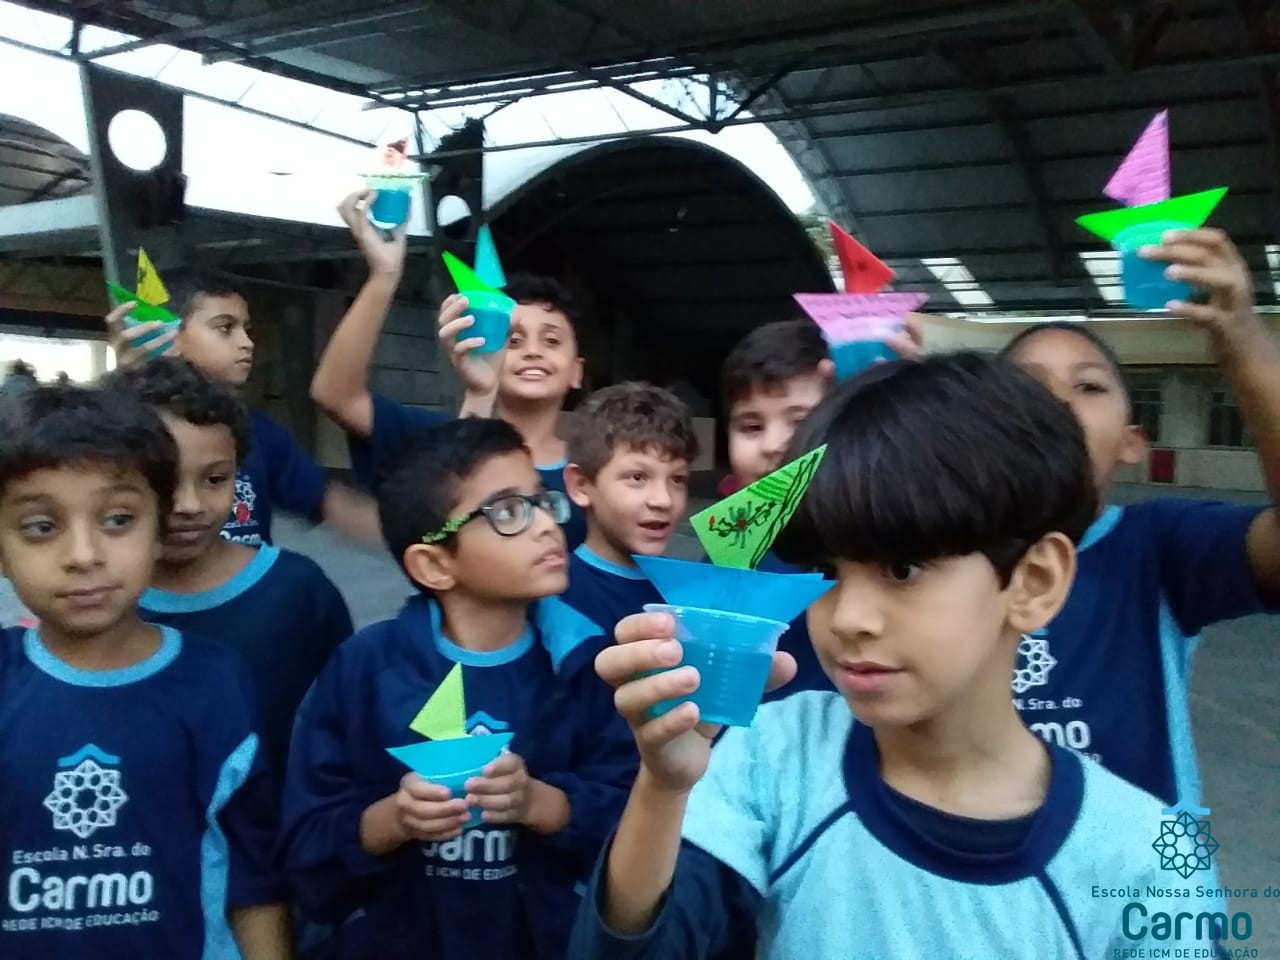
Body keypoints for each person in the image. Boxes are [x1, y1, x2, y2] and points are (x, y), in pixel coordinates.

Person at [570, 353, 1220, 959]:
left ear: (1034, 582)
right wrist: (663, 787)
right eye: (827, 570)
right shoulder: (772, 758)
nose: (847, 618)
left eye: (902, 568)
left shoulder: (1147, 862)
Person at [283, 416, 637, 960]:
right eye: (509, 512)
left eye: (543, 502)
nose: (547, 525)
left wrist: (543, 804)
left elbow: (636, 828)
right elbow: (306, 848)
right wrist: (393, 820)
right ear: (434, 564)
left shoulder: (588, 664)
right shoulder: (365, 670)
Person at [0, 380, 286, 958]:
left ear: (159, 529)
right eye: (41, 527)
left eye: (118, 519)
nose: (83, 556)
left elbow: (253, 879)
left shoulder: (215, 683)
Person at [1000, 228, 1280, 807]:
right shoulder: (928, 552)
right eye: (1026, 385)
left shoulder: (1159, 547)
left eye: (1088, 386)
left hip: (1152, 865)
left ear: (1132, 442)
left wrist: (1244, 341)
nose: (1057, 401)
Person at [107, 357, 353, 771]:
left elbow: (347, 721)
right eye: (163, 480)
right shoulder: (94, 599)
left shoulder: (298, 592)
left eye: (216, 479)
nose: (189, 504)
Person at [309, 191, 588, 547]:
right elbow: (335, 395)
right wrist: (384, 275)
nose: (532, 351)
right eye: (513, 339)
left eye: (551, 340)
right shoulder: (435, 440)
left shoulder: (599, 469)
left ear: (577, 370)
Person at [106, 267, 380, 547]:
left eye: (246, 330)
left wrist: (404, 534)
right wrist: (121, 390)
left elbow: (329, 502)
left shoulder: (258, 431)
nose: (247, 343)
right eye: (225, 328)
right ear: (162, 332)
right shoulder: (121, 427)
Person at [561, 382, 697, 636]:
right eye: (638, 477)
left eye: (677, 479)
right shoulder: (558, 593)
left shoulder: (692, 588)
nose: (663, 500)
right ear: (580, 485)